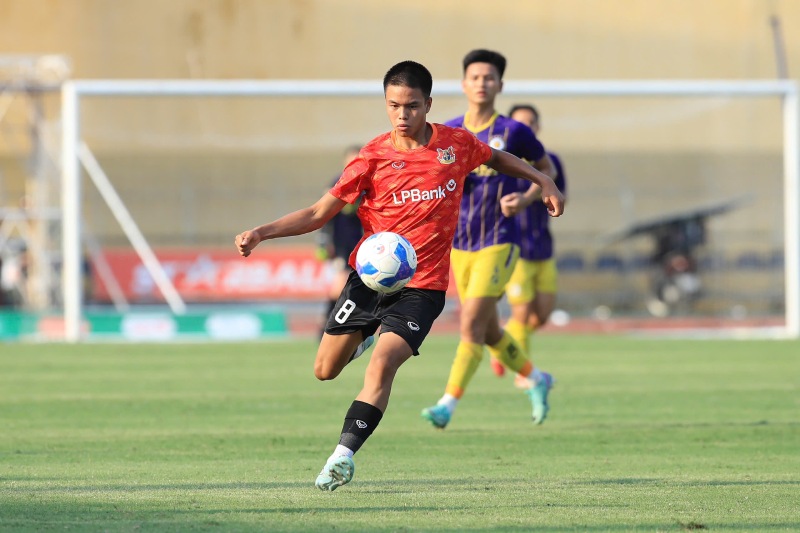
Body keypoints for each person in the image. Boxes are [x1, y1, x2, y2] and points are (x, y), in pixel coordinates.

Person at [235, 60, 564, 491]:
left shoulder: (455, 145)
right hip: (369, 281)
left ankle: (342, 456)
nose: (402, 115)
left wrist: (543, 180)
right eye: (393, 106)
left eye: (411, 106)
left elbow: (497, 158)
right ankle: (367, 332)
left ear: (428, 104)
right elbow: (318, 213)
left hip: (422, 287)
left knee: (382, 367)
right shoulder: (371, 158)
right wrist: (262, 232)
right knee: (324, 369)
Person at [421, 49, 558, 430]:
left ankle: (447, 403)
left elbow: (545, 170)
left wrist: (527, 196)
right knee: (490, 330)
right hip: (460, 244)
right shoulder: (446, 133)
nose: (482, 83)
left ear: (500, 84)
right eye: (475, 77)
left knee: (470, 326)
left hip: (499, 240)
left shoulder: (514, 131)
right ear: (464, 83)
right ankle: (536, 377)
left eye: (489, 77)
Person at [489, 104, 568, 385]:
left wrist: (536, 195)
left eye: (532, 122)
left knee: (540, 317)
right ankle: (524, 374)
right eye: (522, 123)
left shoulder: (552, 161)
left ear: (538, 127)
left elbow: (561, 197)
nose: (529, 127)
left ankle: (500, 346)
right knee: (522, 314)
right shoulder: (504, 164)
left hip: (543, 249)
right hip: (516, 249)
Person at [316, 145, 364, 337]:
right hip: (343, 244)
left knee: (354, 286)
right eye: (351, 161)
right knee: (341, 283)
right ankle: (326, 325)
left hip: (364, 244)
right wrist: (323, 242)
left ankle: (345, 327)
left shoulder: (368, 182)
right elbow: (323, 214)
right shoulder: (338, 183)